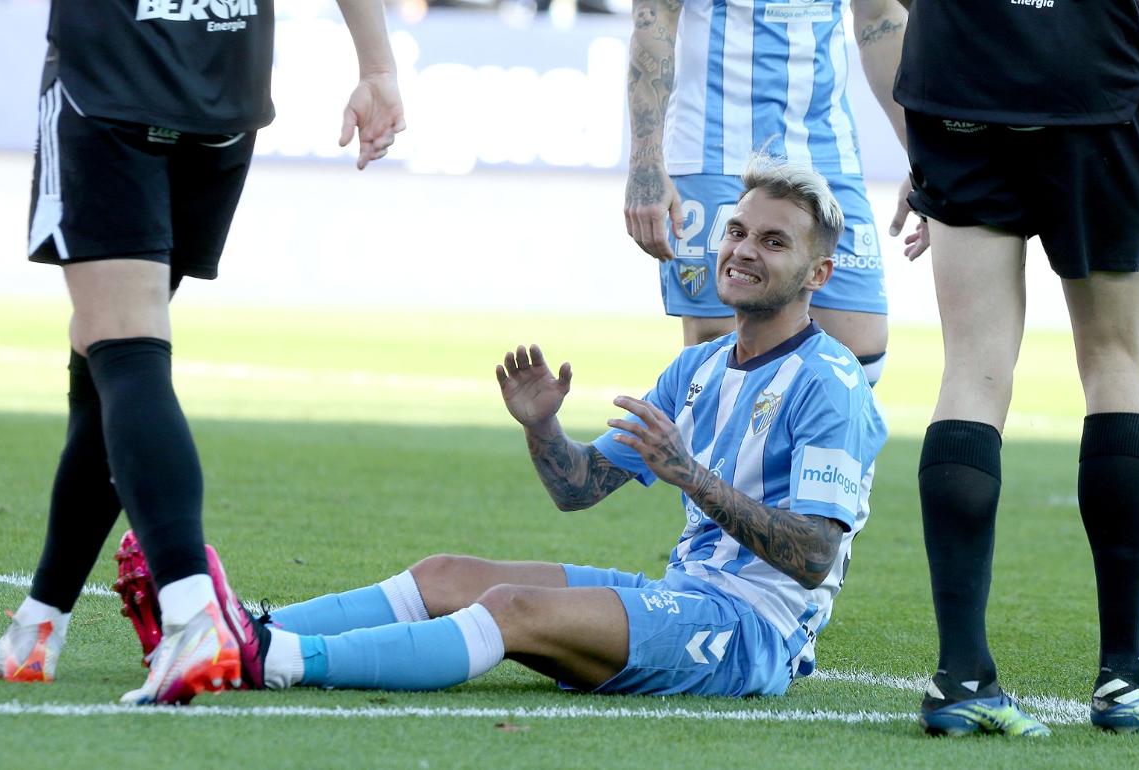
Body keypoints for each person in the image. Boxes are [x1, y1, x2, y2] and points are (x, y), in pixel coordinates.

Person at [117, 154, 888, 699]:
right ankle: (231, 629)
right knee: (446, 574)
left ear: (818, 275)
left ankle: (271, 659)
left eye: (772, 242)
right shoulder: (700, 368)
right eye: (738, 232)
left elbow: (816, 557)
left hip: (751, 634)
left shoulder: (831, 385)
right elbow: (579, 489)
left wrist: (691, 476)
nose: (743, 251)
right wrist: (543, 431)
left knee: (509, 611)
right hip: (688, 593)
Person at [0, 0, 405, 705]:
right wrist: (377, 66)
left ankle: (190, 615)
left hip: (115, 76)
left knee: (124, 347)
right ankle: (40, 621)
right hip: (224, 87)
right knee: (107, 348)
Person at [894, 0, 1139, 736]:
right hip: (1084, 73)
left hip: (953, 71)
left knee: (971, 368)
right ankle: (1124, 677)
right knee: (1115, 359)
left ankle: (962, 679)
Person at [623, 0, 927, 385]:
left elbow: (879, 16)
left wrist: (922, 154)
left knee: (858, 356)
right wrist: (646, 164)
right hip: (714, 150)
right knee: (728, 354)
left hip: (824, 148)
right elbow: (655, 17)